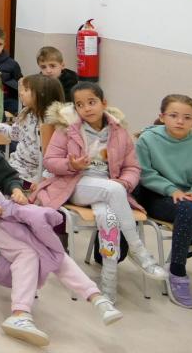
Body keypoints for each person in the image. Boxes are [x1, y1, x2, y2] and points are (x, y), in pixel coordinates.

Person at [0, 105, 121, 346]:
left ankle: (93, 299)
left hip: (4, 206)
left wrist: (16, 190)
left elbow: (6, 174)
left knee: (46, 246)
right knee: (26, 252)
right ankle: (31, 311)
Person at [31, 84, 168, 302]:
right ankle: (139, 251)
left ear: (104, 103)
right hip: (75, 185)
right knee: (114, 190)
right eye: (80, 105)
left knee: (109, 218)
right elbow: (50, 161)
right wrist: (72, 164)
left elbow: (133, 168)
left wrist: (125, 182)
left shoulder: (119, 132)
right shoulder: (67, 129)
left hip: (108, 188)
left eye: (91, 102)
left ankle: (108, 285)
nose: (86, 108)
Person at [135, 94, 192, 309]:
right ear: (162, 117)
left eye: (187, 117)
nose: (180, 121)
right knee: (187, 208)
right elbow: (144, 174)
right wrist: (172, 190)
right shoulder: (148, 139)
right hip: (155, 197)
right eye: (174, 115)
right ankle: (177, 272)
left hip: (189, 198)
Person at [0, 74, 64, 188]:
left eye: (26, 90)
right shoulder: (26, 112)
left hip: (34, 175)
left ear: (41, 94)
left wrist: (45, 178)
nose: (21, 93)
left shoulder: (52, 121)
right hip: (16, 167)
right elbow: (14, 133)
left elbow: (56, 154)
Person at [0, 26, 23, 116]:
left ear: (4, 44)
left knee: (18, 110)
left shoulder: (12, 64)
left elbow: (20, 83)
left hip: (6, 99)